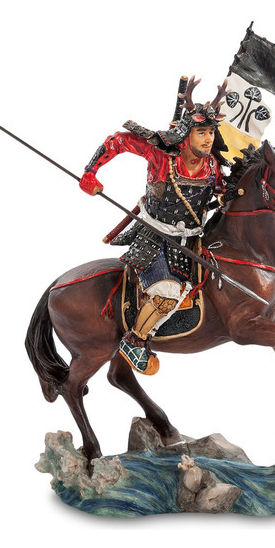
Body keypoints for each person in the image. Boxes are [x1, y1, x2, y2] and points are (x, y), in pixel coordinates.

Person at [79, 78, 229, 375]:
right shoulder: (162, 156)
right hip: (155, 237)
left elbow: (222, 191)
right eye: (201, 132)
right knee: (166, 296)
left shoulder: (212, 164)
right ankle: (135, 340)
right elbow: (118, 141)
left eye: (211, 132)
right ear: (185, 135)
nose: (208, 139)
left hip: (193, 240)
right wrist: (90, 173)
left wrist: (227, 197)